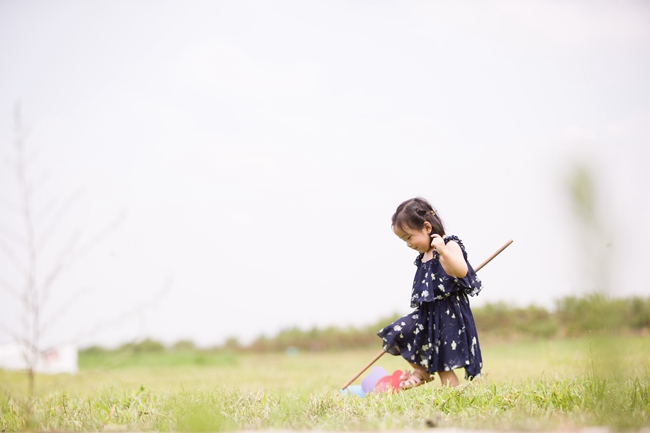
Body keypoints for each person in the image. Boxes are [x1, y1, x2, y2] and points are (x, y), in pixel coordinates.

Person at [377, 197, 483, 389]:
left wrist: (444, 252)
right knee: (397, 331)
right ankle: (422, 371)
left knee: (444, 362)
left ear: (426, 227)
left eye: (409, 237)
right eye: (404, 240)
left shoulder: (448, 245)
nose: (408, 244)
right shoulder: (424, 255)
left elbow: (462, 271)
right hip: (428, 314)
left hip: (449, 313)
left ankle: (453, 393)